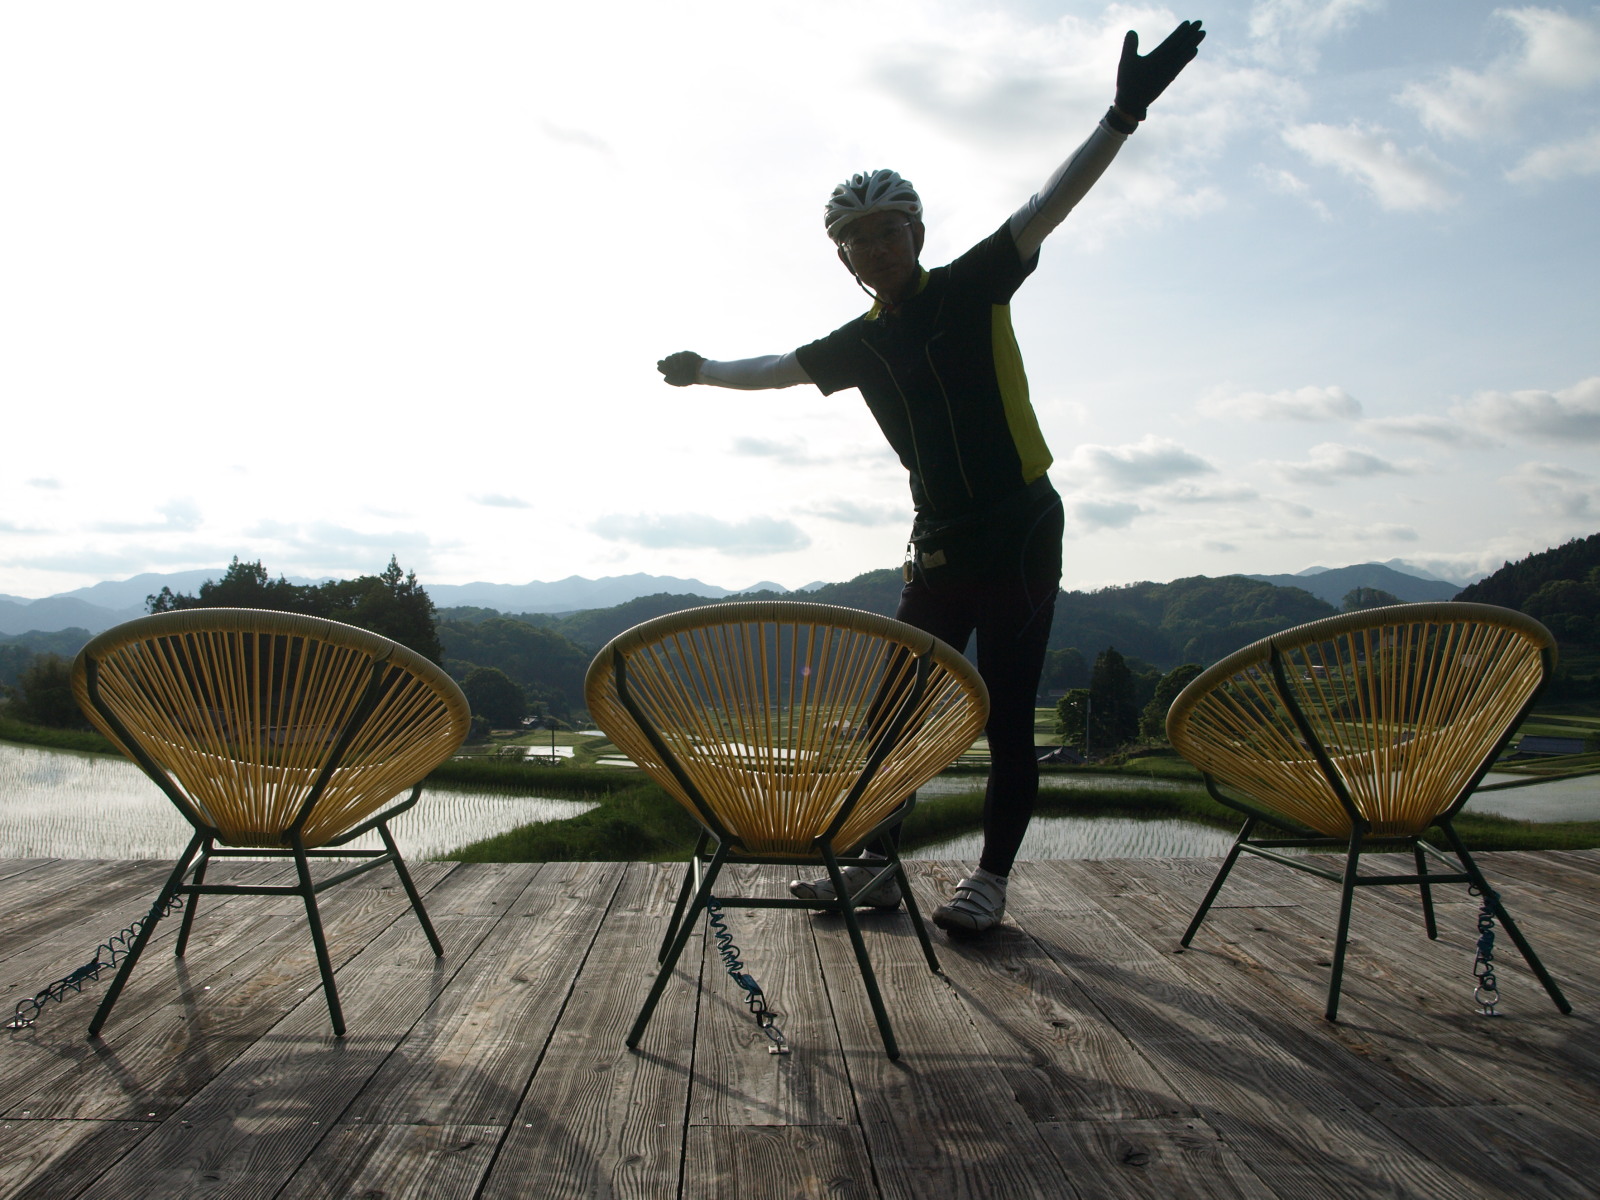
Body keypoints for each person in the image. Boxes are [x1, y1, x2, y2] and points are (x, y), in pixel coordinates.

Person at [658, 20, 1205, 935]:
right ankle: (874, 866)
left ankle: (989, 880)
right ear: (842, 257)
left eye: (889, 231)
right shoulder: (861, 343)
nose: (876, 248)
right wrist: (705, 370)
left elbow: (1049, 203)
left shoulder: (972, 284)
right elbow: (777, 369)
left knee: (1009, 714)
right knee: (895, 710)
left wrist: (1122, 115)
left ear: (916, 232)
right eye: (857, 239)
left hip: (1022, 526)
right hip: (941, 540)